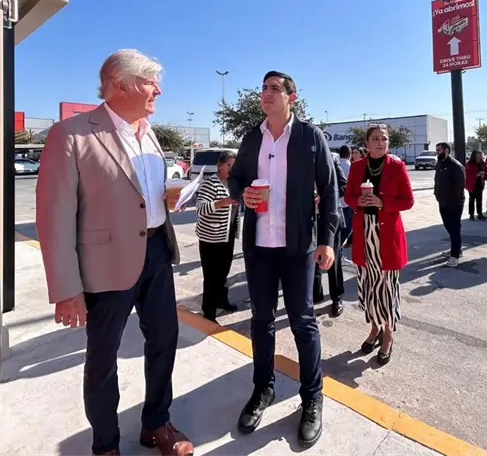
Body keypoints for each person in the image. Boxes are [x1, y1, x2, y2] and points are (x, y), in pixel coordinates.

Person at [35, 49, 193, 456]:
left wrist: (166, 200)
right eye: (150, 81)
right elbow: (54, 217)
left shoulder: (150, 131)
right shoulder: (71, 134)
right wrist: (66, 288)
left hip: (157, 250)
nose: (158, 89)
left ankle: (156, 424)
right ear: (120, 84)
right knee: (103, 357)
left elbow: (141, 194)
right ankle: (105, 443)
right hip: (105, 263)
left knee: (164, 341)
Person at [228, 71, 338, 449]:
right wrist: (243, 195)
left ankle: (312, 397)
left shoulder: (309, 137)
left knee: (303, 322)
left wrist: (328, 240)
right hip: (259, 245)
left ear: (292, 97)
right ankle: (264, 389)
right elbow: (236, 179)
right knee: (260, 321)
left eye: (275, 89)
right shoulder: (251, 137)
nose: (266, 94)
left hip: (298, 247)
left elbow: (329, 189)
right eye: (263, 88)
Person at [344, 125, 414, 365]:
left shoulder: (397, 166)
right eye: (375, 138)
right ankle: (374, 328)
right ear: (367, 142)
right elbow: (348, 196)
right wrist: (359, 202)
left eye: (384, 139)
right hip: (365, 235)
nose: (381, 142)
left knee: (387, 289)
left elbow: (408, 201)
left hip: (387, 237)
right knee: (367, 286)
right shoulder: (356, 167)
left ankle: (388, 335)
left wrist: (382, 201)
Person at [195, 150, 240, 322]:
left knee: (223, 272)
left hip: (226, 235)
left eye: (234, 165)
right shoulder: (210, 183)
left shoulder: (233, 183)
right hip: (210, 237)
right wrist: (224, 202)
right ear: (220, 166)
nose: (232, 168)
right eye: (229, 165)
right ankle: (209, 311)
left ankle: (223, 301)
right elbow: (201, 208)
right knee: (212, 275)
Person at [313, 153, 347, 317]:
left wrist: (323, 197)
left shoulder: (332, 159)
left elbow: (343, 186)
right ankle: (316, 294)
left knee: (334, 261)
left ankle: (337, 298)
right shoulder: (301, 158)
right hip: (310, 219)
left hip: (330, 219)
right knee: (312, 259)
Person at [434, 142, 465, 267]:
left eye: (439, 150)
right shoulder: (440, 164)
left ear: (446, 150)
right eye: (436, 150)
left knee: (454, 229)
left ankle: (455, 256)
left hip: (454, 203)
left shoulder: (456, 166)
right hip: (443, 201)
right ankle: (456, 249)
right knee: (449, 227)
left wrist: (453, 200)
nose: (437, 153)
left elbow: (460, 186)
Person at [338, 145, 354, 247]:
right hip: (347, 202)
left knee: (338, 227)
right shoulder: (351, 167)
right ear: (350, 154)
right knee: (347, 227)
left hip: (336, 201)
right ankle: (339, 249)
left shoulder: (335, 164)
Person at [465, 150, 487, 221]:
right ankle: (471, 214)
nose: (480, 156)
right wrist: (476, 175)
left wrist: (486, 177)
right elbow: (467, 174)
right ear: (474, 155)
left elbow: (485, 172)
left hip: (480, 183)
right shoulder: (469, 164)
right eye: (478, 154)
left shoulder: (482, 163)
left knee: (479, 199)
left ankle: (480, 214)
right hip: (472, 183)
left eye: (481, 155)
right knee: (472, 199)